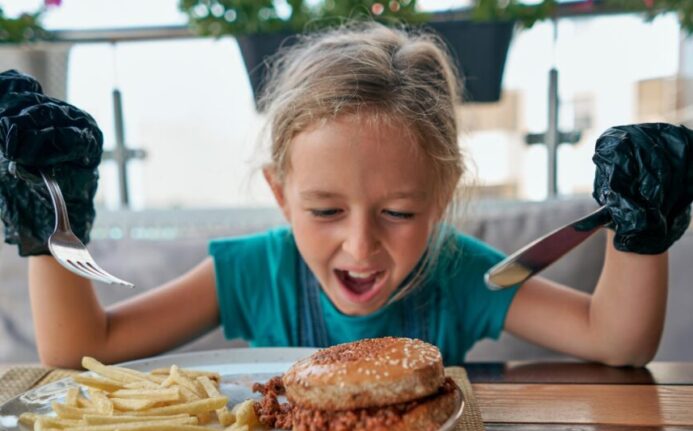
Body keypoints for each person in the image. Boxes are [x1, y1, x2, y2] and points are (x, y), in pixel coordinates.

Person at [0, 23, 690, 370]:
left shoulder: (460, 274)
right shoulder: (254, 272)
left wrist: (640, 231)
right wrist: (50, 223)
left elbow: (616, 340)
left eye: (398, 212)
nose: (361, 245)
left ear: (443, 193)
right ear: (279, 193)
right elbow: (81, 346)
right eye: (325, 211)